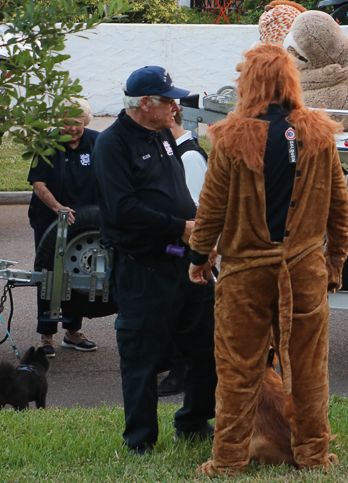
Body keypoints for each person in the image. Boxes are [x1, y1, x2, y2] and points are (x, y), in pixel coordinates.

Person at [189, 43, 348, 475]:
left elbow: (211, 209)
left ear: (250, 82)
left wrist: (199, 257)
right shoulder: (318, 132)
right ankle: (313, 455)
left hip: (244, 275)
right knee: (310, 367)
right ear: (289, 80)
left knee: (238, 371)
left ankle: (227, 460)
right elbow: (339, 204)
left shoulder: (230, 136)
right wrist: (335, 260)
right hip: (304, 270)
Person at [93, 66, 217, 454]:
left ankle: (194, 422)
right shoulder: (112, 144)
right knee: (142, 357)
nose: (176, 107)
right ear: (145, 103)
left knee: (204, 347)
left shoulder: (162, 135)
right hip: (143, 267)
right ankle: (140, 441)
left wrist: (201, 238)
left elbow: (176, 191)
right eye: (169, 100)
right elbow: (122, 210)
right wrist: (180, 226)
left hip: (185, 260)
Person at [26, 96, 100, 356]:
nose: (72, 129)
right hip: (50, 217)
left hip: (84, 220)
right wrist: (58, 207)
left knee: (78, 273)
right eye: (67, 123)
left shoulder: (96, 141)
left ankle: (73, 332)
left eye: (77, 123)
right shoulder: (46, 144)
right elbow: (38, 184)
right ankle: (47, 337)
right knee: (49, 274)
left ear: (85, 122)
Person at [157, 111, 211, 397]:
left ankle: (180, 374)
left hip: (192, 249)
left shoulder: (188, 156)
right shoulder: (180, 152)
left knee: (182, 315)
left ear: (172, 118)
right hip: (186, 247)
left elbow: (194, 209)